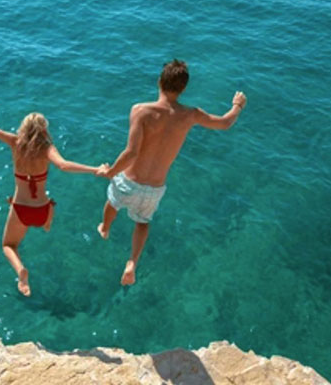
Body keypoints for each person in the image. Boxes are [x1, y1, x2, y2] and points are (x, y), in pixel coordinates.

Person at [96, 60, 247, 286]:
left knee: (113, 202)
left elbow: (131, 153)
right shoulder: (190, 115)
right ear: (183, 88)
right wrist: (237, 106)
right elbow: (225, 123)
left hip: (130, 180)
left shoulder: (141, 111)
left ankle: (105, 228)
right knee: (142, 222)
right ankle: (132, 262)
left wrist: (111, 171)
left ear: (160, 81)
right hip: (155, 188)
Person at [0, 99, 106, 297]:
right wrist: (95, 169)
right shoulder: (47, 149)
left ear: (24, 128)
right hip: (42, 210)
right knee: (48, 203)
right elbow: (64, 165)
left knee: (8, 245)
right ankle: (47, 223)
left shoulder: (15, 143)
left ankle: (21, 270)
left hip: (21, 210)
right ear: (43, 130)